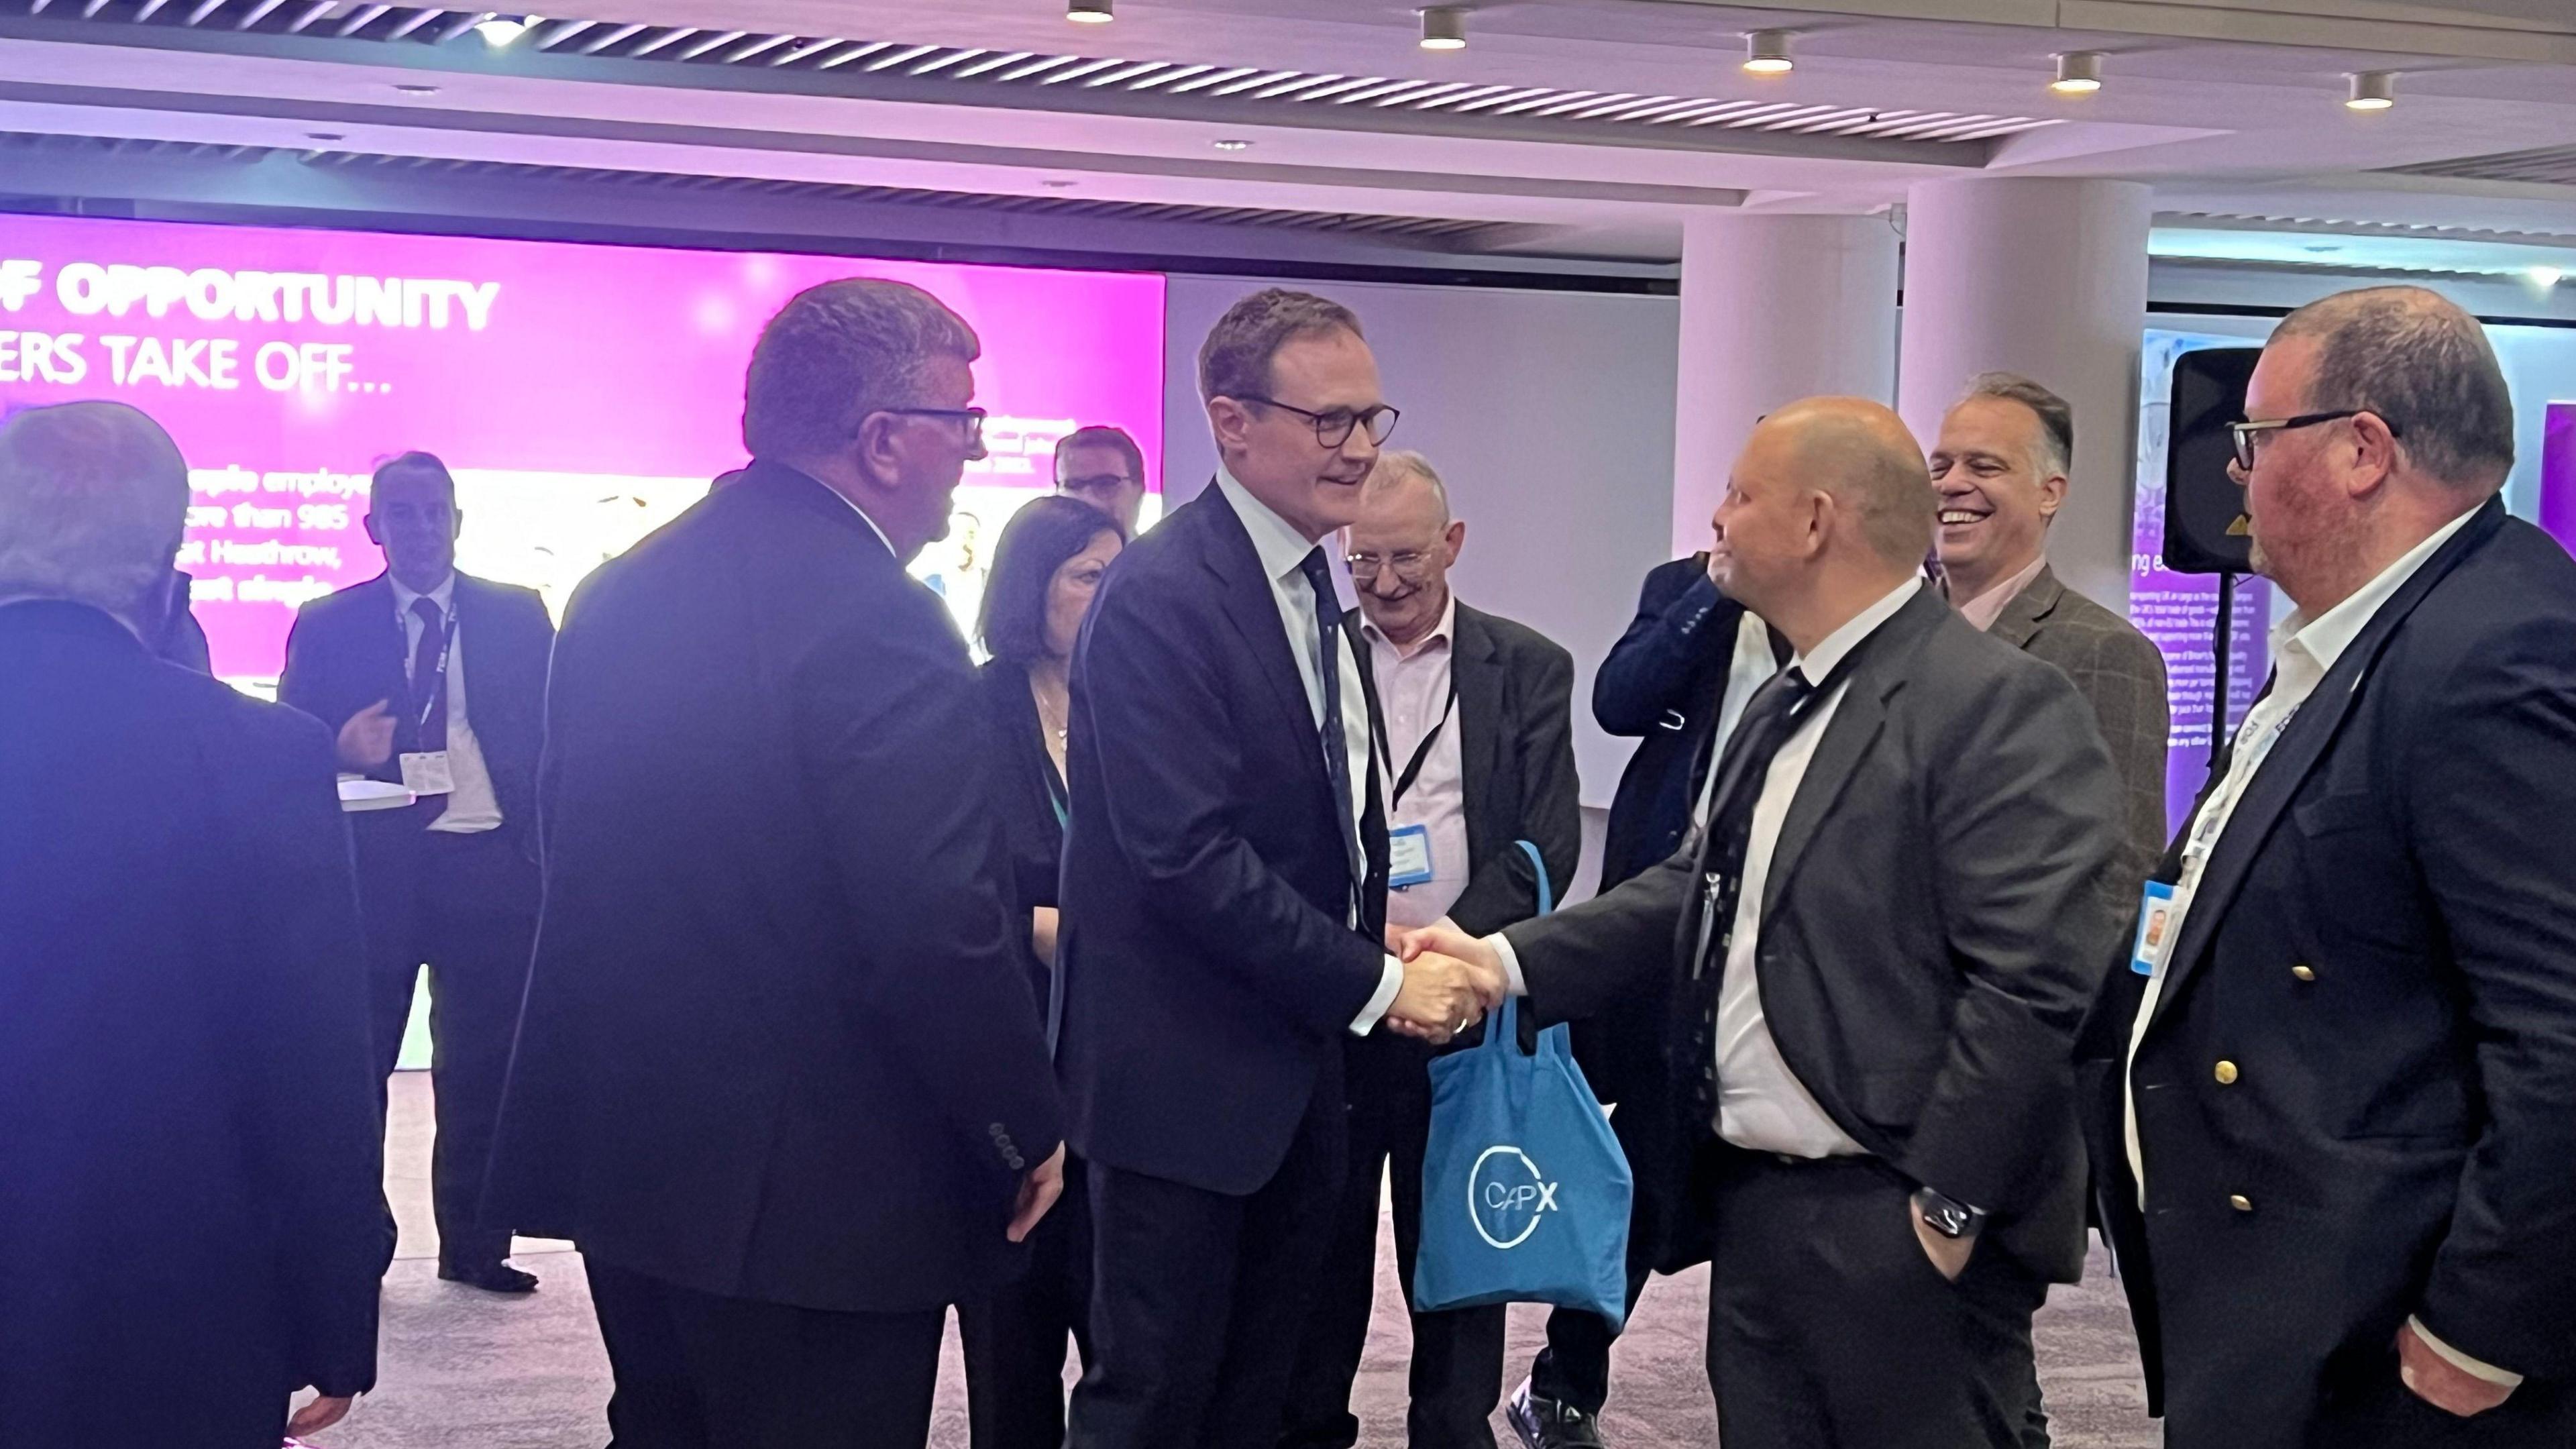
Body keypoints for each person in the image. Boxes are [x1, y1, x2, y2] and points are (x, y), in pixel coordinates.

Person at [1403, 397, 2127, 1449]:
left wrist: (1946, 1212)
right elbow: (1695, 888)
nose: (1719, 517)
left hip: (1898, 1224)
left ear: (1816, 521)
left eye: (1741, 495)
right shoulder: (1786, 699)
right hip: (1756, 1210)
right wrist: (1501, 960)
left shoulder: (1998, 706)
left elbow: (2032, 986)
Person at [485, 278, 1068, 1449]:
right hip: (825, 1199)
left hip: (637, 1155)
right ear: (885, 440)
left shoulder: (622, 586)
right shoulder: (882, 618)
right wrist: (1021, 1125)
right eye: (964, 424)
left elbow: (574, 849)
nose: (974, 453)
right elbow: (935, 925)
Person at [2080, 286, 2576, 1449]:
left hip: (2391, 1350)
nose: (2237, 478)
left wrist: (2476, 1334)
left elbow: (2561, 1030)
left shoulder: (2495, 651)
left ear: (2364, 450)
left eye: (2255, 438)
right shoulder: (2362, 633)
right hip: (2284, 1307)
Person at [1056, 288, 1501, 1449]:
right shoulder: (1164, 594)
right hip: (1183, 1094)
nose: (1359, 448)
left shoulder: (1309, 580)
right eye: (1330, 421)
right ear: (1232, 423)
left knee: (1273, 1399)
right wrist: (1379, 985)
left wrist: (1375, 937)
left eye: (1371, 419)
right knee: (1156, 1404)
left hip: (1297, 1079)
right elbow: (1185, 856)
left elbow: (1316, 817)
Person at [0, 401, 388, 1448]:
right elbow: (310, 1072)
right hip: (177, 1308)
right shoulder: (262, 758)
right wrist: (336, 1309)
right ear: (165, 564)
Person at [1283, 449, 1582, 1449]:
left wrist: (1446, 953)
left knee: (1455, 1254)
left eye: (1407, 557)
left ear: (1452, 544)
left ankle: (1452, 1433)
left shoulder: (1526, 664)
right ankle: (1308, 1426)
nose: (1386, 584)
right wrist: (1364, 955)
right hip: (1336, 995)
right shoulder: (1313, 656)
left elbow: (1547, 840)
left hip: (1462, 1005)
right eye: (1362, 562)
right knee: (1318, 1253)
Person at [1513, 539, 1782, 1449]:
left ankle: (1751, 1398)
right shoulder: (1686, 590)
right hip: (1663, 920)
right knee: (1635, 1159)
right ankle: (1565, 1380)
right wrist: (1714, 589)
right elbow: (1620, 699)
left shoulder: (1857, 609)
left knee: (1736, 1177)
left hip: (1787, 938)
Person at [277, 449, 556, 1295]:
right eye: (402, 512)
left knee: (482, 1069)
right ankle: (354, 1250)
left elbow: (557, 737)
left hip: (490, 864)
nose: (421, 528)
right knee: (357, 1071)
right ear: (373, 528)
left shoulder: (518, 616)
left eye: (435, 511)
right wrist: (333, 745)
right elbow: (283, 753)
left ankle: (476, 1244)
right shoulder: (328, 622)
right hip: (377, 870)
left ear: (459, 522)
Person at [959, 494, 1127, 1449]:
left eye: (1118, 578)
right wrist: (1045, 928)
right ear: (1035, 587)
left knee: (1127, 1336)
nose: (1108, 599)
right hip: (1012, 1053)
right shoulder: (972, 707)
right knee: (1013, 1337)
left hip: (1125, 1060)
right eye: (1087, 578)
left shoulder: (1136, 705)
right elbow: (946, 888)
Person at [1930, 372, 2170, 881]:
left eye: (1984, 466)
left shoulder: (2105, 652)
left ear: (2049, 494)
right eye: (1940, 466)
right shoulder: (1886, 640)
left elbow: (2120, 873)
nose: (1952, 484)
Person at [1055, 423, 1150, 533]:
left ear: (1139, 490)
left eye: (1106, 484)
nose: (1089, 499)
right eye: (1074, 485)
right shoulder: (1036, 549)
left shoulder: (1165, 550)